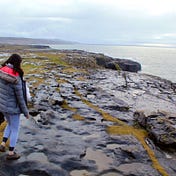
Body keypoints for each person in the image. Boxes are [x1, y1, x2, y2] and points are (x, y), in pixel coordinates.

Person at [0, 53, 29, 160]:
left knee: (10, 124)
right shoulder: (15, 76)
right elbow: (20, 98)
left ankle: (3, 144)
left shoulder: (2, 70)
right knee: (15, 129)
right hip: (12, 108)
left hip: (2, 106)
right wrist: (26, 112)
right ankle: (11, 153)